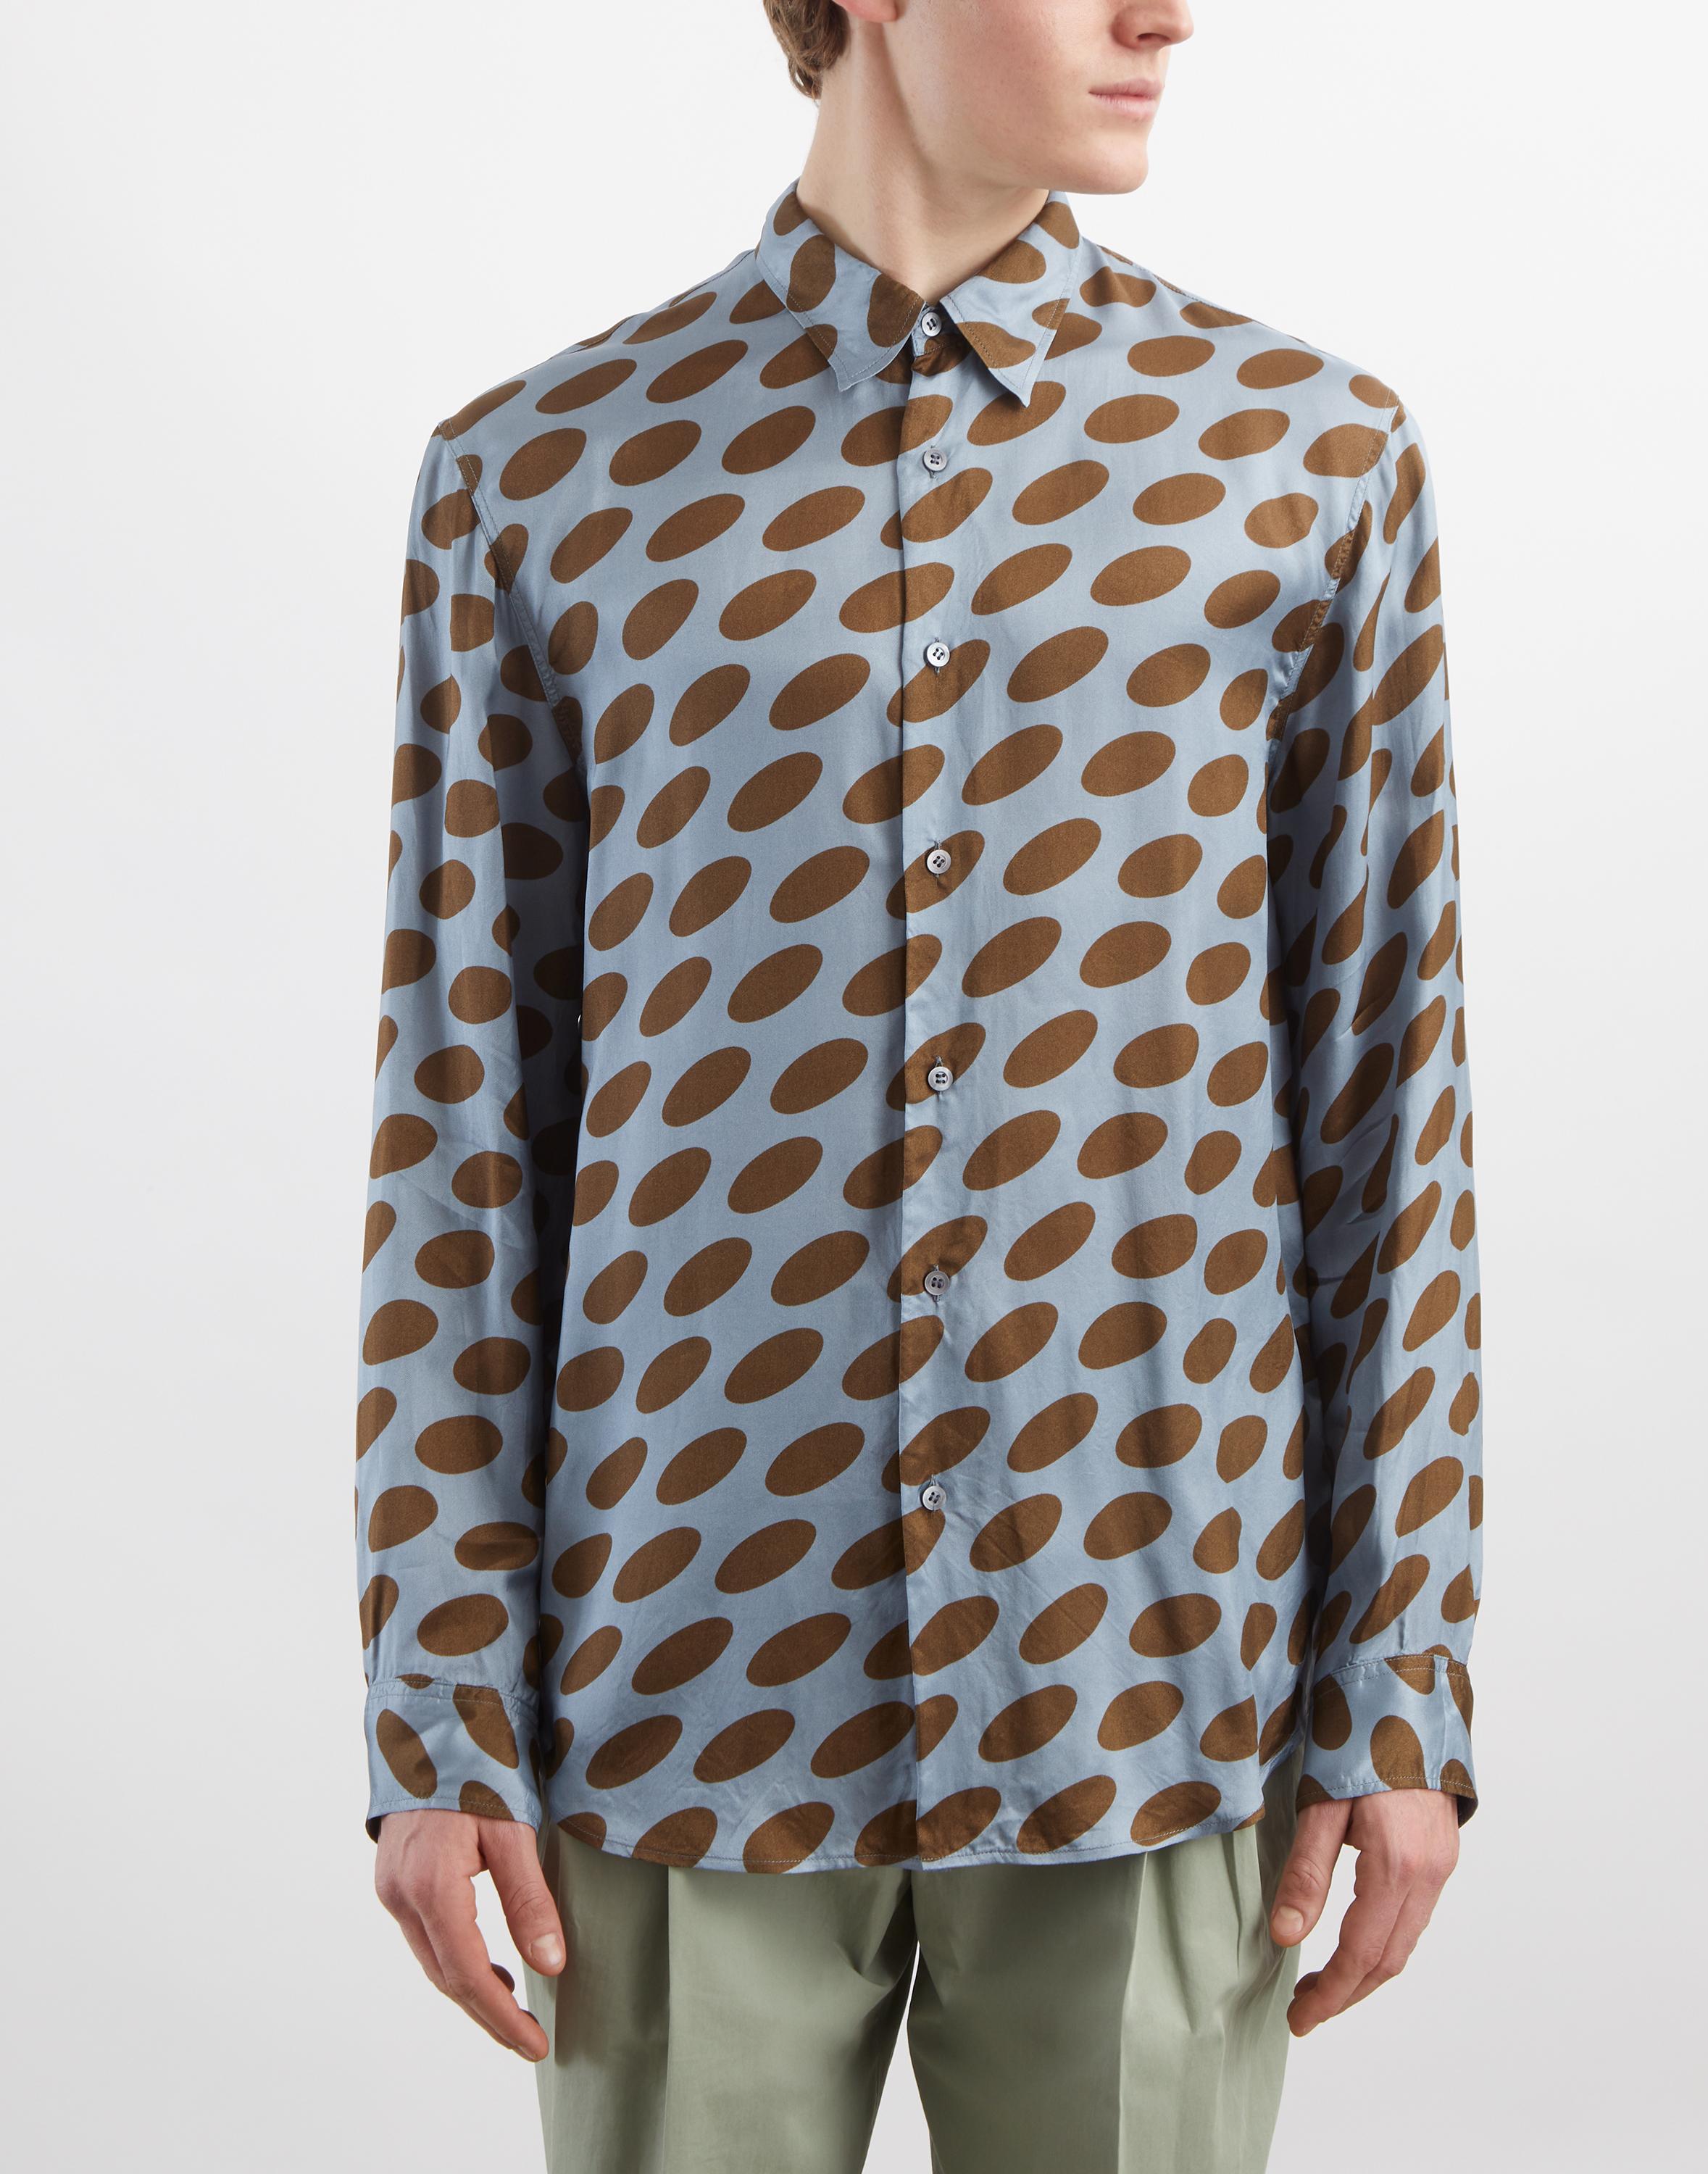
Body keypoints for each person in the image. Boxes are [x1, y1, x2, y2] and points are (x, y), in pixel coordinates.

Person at [352, 1, 1484, 2167]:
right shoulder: (544, 476)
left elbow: (1386, 1109)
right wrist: (439, 1713)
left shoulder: (1306, 459)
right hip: (676, 1682)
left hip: (1153, 1668)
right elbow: (462, 1124)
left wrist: (1402, 1683)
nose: (1165, 15)